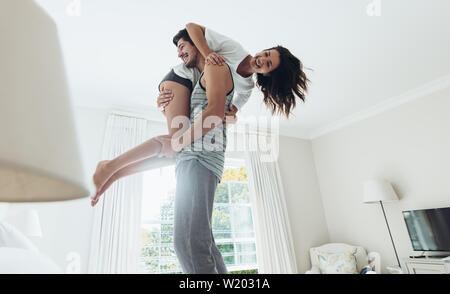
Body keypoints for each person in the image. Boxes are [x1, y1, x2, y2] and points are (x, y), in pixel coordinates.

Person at [91, 23, 310, 205]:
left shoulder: (246, 86)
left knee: (179, 152)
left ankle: (114, 171)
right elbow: (192, 26)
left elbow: (229, 113)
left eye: (268, 63)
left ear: (268, 74)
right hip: (181, 78)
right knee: (179, 145)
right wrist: (208, 54)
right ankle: (111, 168)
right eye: (266, 53)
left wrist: (232, 116)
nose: (262, 58)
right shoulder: (235, 50)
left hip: (193, 87)